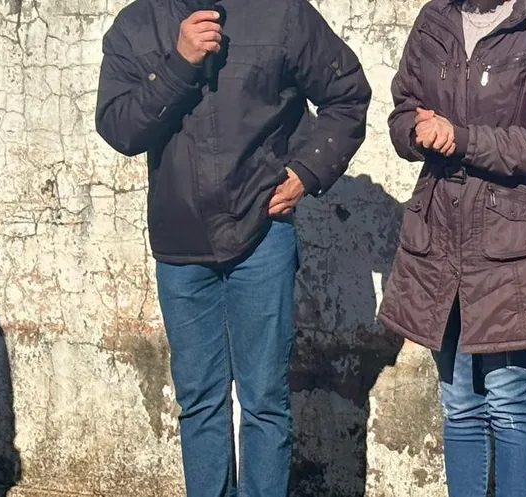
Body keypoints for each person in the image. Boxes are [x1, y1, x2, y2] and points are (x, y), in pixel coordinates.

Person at [94, 0, 371, 494]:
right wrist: (178, 64)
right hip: (180, 243)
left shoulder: (281, 13)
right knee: (199, 401)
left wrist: (306, 172)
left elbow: (346, 94)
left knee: (264, 401)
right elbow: (119, 128)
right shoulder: (138, 23)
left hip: (262, 236)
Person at [377, 0, 526, 494]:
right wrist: (415, 132)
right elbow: (402, 109)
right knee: (458, 404)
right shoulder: (435, 19)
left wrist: (463, 139)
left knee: (508, 400)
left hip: (508, 242)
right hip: (439, 236)